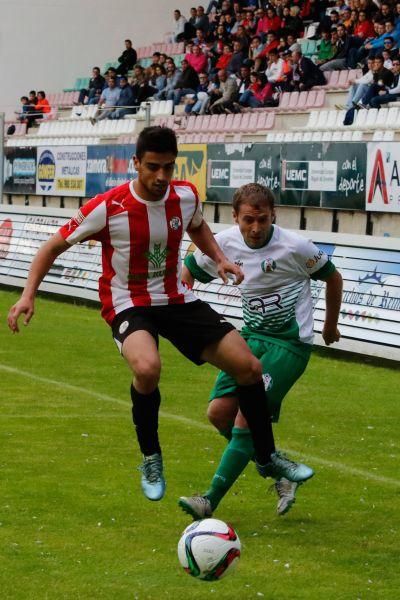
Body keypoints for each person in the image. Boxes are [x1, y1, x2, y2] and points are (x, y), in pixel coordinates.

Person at [7, 128, 308, 505]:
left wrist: (220, 259)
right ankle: (151, 457)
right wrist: (28, 295)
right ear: (136, 163)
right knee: (147, 369)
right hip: (127, 302)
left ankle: (267, 457)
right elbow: (52, 246)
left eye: (168, 167)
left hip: (175, 299)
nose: (162, 176)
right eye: (153, 167)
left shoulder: (185, 195)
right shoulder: (108, 207)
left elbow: (197, 226)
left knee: (247, 367)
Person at [178, 183, 343, 519]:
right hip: (250, 338)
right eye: (248, 220)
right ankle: (277, 468)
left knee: (245, 419)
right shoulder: (222, 243)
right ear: (235, 216)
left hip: (290, 344)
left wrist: (329, 325)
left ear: (273, 216)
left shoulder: (294, 247)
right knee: (217, 414)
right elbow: (188, 273)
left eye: (263, 220)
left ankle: (209, 500)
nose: (255, 228)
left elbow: (333, 277)